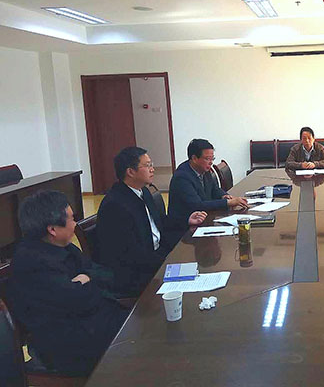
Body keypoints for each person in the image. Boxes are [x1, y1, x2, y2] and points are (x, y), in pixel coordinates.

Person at [7, 190, 129, 376]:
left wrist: (86, 278)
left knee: (145, 326)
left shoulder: (65, 248)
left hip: (92, 323)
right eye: (72, 219)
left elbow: (107, 275)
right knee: (141, 341)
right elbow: (80, 301)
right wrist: (90, 282)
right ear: (53, 230)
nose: (75, 224)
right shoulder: (31, 262)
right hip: (67, 345)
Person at [95, 147, 207, 297]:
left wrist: (187, 220)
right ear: (130, 172)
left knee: (198, 256)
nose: (152, 169)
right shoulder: (116, 205)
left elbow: (159, 221)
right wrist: (168, 261)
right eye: (147, 165)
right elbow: (131, 254)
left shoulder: (143, 191)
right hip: (135, 273)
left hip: (155, 254)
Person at [169, 139, 248, 227]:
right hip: (186, 226)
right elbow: (197, 205)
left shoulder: (204, 169)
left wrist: (223, 196)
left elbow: (214, 189)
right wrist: (227, 203)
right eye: (207, 159)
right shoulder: (182, 177)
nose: (211, 162)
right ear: (194, 158)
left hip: (204, 218)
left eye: (212, 159)